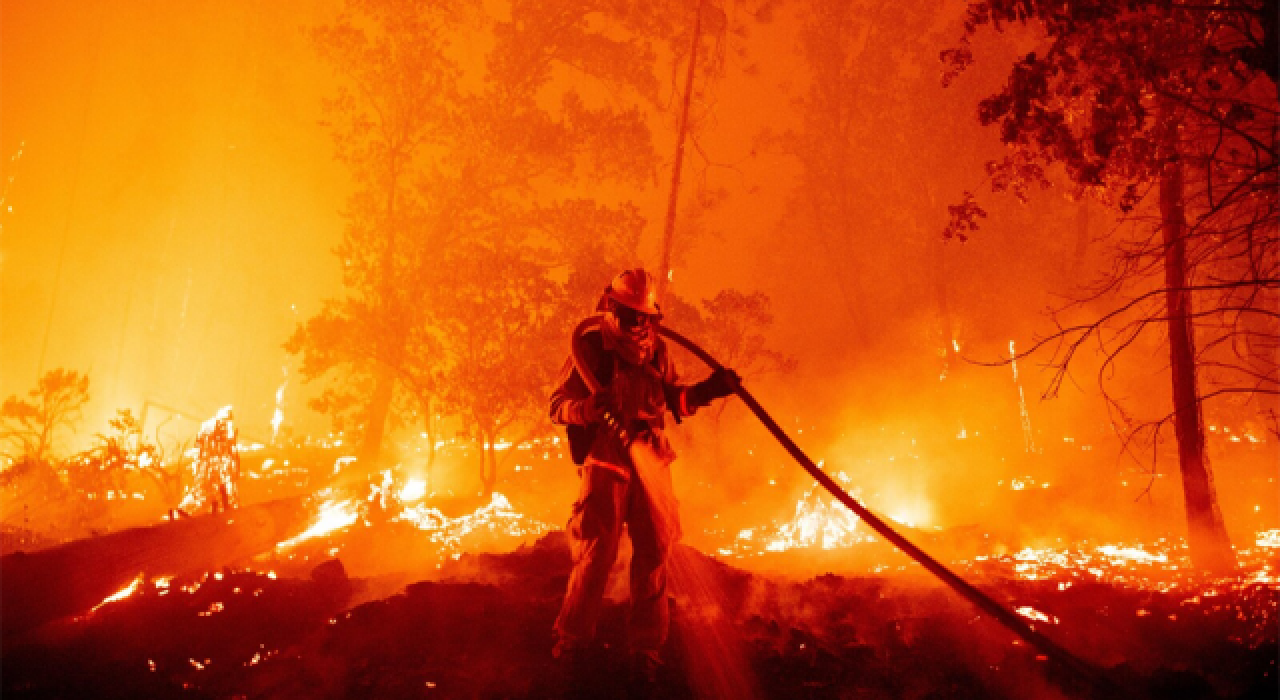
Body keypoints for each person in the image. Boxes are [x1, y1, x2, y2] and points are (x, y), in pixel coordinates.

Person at [549, 268, 739, 692]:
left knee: (654, 554)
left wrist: (711, 389)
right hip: (607, 460)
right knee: (596, 553)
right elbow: (556, 405)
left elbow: (675, 401)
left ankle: (645, 652)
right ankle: (573, 643)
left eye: (644, 318)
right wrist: (587, 410)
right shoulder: (591, 346)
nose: (638, 326)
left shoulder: (658, 352)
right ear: (611, 308)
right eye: (631, 316)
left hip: (651, 456)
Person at [178, 406, 241, 515]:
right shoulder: (209, 427)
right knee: (205, 488)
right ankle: (191, 509)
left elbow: (230, 447)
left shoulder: (224, 428)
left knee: (220, 489)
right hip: (210, 464)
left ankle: (222, 509)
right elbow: (200, 445)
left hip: (218, 464)